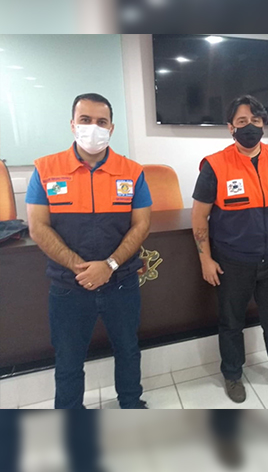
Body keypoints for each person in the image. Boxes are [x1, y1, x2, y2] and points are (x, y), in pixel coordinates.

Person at [26, 93, 152, 409]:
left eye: (101, 121)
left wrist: (109, 266)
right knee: (68, 358)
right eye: (85, 120)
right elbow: (38, 227)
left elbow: (141, 225)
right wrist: (81, 268)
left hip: (121, 282)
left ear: (111, 128)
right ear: (73, 124)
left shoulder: (132, 171)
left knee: (128, 349)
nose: (93, 127)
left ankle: (131, 404)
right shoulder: (46, 169)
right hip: (69, 285)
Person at [191, 95, 268, 403]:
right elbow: (199, 216)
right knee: (231, 323)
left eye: (255, 121)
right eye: (242, 121)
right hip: (233, 262)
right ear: (230, 127)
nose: (249, 127)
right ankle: (232, 375)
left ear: (263, 124)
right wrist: (205, 259)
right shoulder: (215, 165)